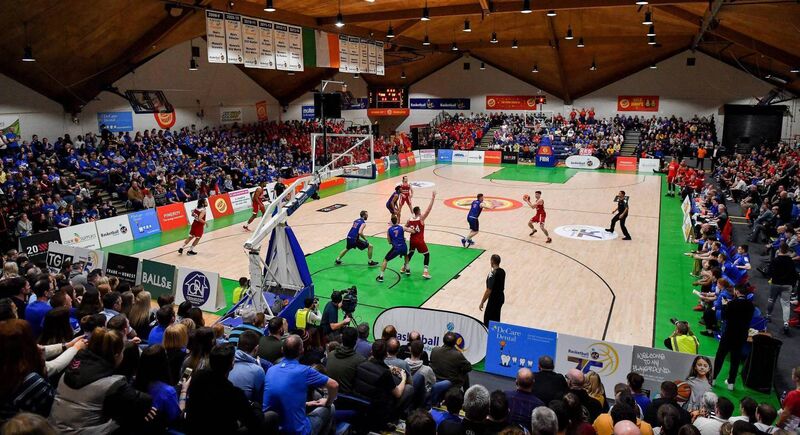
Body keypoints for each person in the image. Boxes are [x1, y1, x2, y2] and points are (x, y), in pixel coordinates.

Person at [49, 328, 154, 434]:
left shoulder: (70, 368)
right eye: (122, 351)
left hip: (52, 428)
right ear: (116, 355)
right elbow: (144, 401)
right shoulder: (112, 385)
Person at [263, 335, 338, 435]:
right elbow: (334, 385)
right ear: (302, 351)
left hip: (272, 428)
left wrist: (306, 404)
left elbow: (281, 398)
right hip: (297, 431)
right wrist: (327, 402)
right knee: (331, 407)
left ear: (282, 350)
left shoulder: (270, 370)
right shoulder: (305, 371)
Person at [185, 344, 265, 434]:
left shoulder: (197, 377)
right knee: (271, 416)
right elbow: (253, 423)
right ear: (232, 364)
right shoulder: (234, 393)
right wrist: (256, 406)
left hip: (194, 428)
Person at [0, 320, 55, 420]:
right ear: (28, 343)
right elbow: (54, 409)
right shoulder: (31, 381)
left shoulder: (8, 372)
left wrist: (68, 346)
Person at [353, 339, 412, 430]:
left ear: (372, 351)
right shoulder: (385, 373)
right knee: (408, 388)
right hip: (377, 409)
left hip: (360, 404)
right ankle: (393, 419)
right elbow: (398, 393)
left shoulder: (361, 364)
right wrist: (404, 378)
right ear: (386, 354)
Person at [133, 345, 185, 430]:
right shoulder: (168, 392)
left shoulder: (132, 383)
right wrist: (184, 391)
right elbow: (176, 418)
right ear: (163, 363)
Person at [712, 285, 754, 391]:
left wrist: (725, 305)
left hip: (729, 334)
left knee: (720, 357)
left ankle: (713, 379)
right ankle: (731, 382)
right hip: (741, 336)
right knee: (735, 359)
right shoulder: (751, 305)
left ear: (737, 291)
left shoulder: (731, 304)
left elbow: (724, 317)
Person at [766, 242, 796, 334]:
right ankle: (786, 323)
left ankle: (768, 316)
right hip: (787, 285)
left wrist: (771, 277)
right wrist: (792, 285)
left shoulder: (775, 260)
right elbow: (794, 275)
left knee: (771, 300)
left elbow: (769, 272)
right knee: (786, 304)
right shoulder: (791, 261)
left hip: (775, 283)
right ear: (787, 251)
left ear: (779, 249)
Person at [228, 330, 266, 403]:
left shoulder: (226, 360)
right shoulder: (257, 370)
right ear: (256, 348)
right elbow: (259, 398)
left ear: (237, 344)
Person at [325, 326, 366, 394]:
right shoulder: (361, 360)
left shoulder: (331, 354)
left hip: (329, 393)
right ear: (355, 341)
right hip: (346, 398)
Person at [405, 191, 436, 279]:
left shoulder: (409, 219)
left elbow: (405, 228)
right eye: (420, 211)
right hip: (419, 241)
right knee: (427, 254)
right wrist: (433, 198)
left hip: (412, 240)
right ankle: (425, 272)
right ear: (418, 212)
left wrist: (411, 230)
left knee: (410, 253)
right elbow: (429, 209)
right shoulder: (421, 218)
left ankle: (404, 267)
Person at [376, 215, 410, 283]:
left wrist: (393, 241)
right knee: (406, 255)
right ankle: (408, 270)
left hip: (396, 248)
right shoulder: (402, 227)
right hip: (404, 246)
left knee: (385, 260)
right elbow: (411, 231)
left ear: (391, 222)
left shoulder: (389, 230)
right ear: (397, 221)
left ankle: (381, 276)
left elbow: (389, 241)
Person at [479, 254, 506, 326]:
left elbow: (488, 290)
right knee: (496, 318)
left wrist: (482, 302)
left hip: (494, 299)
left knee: (488, 319)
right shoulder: (502, 271)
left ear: (492, 261)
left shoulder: (492, 273)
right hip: (501, 297)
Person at [776, 366, 800, 431]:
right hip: (796, 424)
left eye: (792, 374)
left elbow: (785, 414)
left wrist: (778, 424)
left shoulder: (793, 395)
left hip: (788, 425)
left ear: (796, 378)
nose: (791, 375)